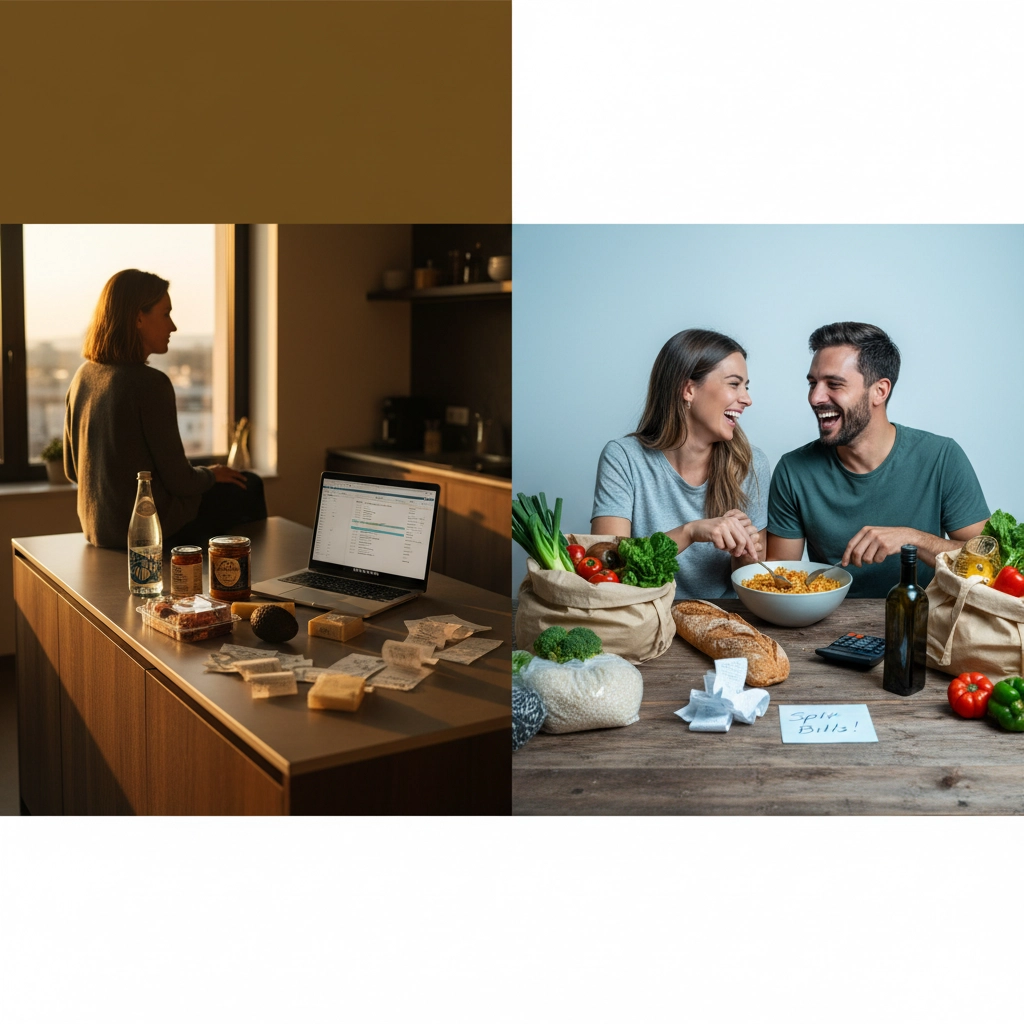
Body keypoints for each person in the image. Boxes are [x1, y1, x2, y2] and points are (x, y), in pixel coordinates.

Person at [766, 321, 989, 597]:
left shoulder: (941, 457)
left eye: (833, 384)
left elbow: (986, 563)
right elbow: (779, 581)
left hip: (923, 621)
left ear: (880, 391)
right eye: (813, 383)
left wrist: (912, 539)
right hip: (825, 624)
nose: (815, 397)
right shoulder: (793, 470)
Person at [64, 268, 267, 550]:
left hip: (98, 530)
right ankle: (241, 586)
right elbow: (180, 482)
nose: (173, 327)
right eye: (165, 314)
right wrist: (211, 473)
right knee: (249, 484)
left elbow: (72, 471)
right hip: (147, 530)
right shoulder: (149, 384)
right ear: (138, 318)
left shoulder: (82, 375)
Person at [592, 328, 770, 600]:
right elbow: (609, 566)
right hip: (644, 614)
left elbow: (754, 582)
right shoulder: (623, 458)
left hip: (725, 618)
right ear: (688, 390)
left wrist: (745, 551)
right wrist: (690, 532)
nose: (747, 398)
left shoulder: (751, 463)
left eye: (746, 386)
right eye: (734, 384)